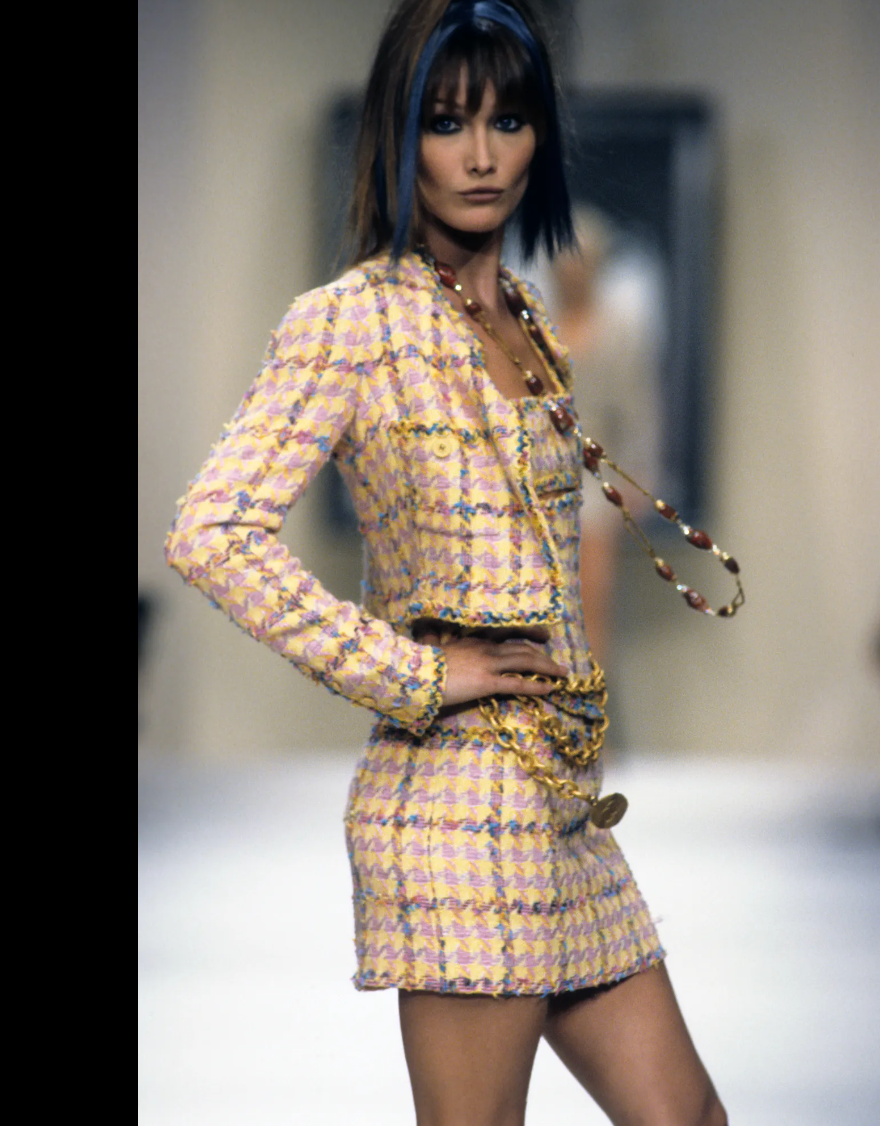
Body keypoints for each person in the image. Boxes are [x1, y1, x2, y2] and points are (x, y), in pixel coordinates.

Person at [162, 1, 727, 1122]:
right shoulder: (351, 322)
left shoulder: (528, 318)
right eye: (446, 120)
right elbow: (211, 530)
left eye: (508, 120)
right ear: (399, 130)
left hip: (559, 804)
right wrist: (415, 672)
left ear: (540, 137)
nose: (480, 155)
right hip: (457, 805)